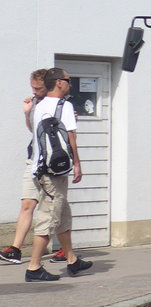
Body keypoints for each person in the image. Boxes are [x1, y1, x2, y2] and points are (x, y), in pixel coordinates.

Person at [25, 67, 89, 281]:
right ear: (59, 83)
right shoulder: (65, 106)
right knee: (49, 216)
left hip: (40, 168)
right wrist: (77, 165)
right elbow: (71, 138)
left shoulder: (39, 105)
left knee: (62, 215)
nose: (70, 84)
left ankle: (72, 260)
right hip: (54, 172)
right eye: (68, 81)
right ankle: (33, 268)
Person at [1, 69, 49, 264]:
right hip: (34, 159)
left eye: (38, 88)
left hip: (50, 164)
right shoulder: (36, 102)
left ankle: (66, 248)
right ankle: (15, 249)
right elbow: (34, 131)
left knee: (56, 208)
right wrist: (27, 113)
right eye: (33, 88)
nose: (35, 91)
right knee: (27, 203)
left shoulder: (58, 104)